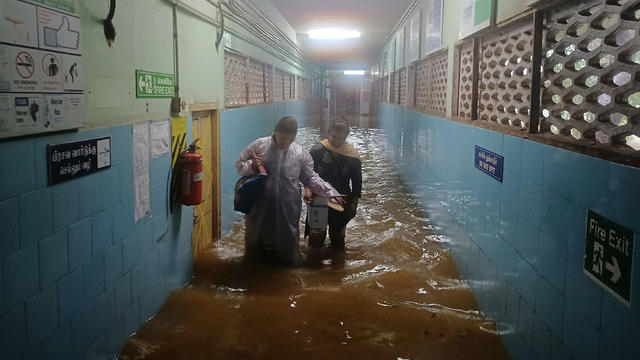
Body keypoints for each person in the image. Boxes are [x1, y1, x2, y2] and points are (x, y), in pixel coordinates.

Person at [236, 116, 343, 265]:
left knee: (288, 239)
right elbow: (240, 165)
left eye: (291, 139)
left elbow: (310, 177)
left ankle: (289, 266)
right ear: (275, 132)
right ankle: (254, 263)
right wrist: (252, 165)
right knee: (256, 235)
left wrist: (330, 192)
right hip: (260, 203)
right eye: (283, 138)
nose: (286, 142)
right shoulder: (259, 146)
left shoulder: (299, 153)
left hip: (287, 205)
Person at [304, 120, 362, 249]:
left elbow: (357, 184)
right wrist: (308, 190)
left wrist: (354, 205)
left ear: (346, 137)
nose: (336, 141)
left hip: (341, 199)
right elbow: (308, 173)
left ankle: (337, 266)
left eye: (341, 138)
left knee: (338, 239)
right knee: (316, 237)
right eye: (334, 137)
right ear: (328, 133)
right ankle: (315, 266)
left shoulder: (353, 156)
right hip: (318, 197)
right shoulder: (317, 150)